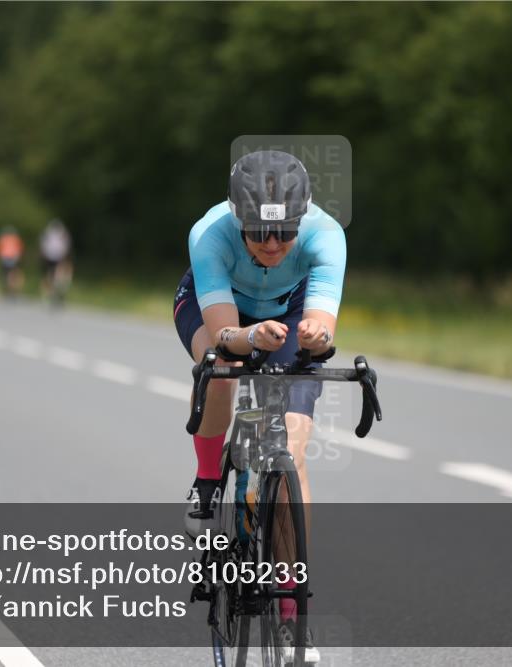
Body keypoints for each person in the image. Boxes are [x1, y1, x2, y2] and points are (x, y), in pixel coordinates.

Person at [173, 150, 345, 662]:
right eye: (259, 234)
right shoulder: (210, 233)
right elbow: (226, 332)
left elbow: (322, 327)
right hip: (221, 307)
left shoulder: (327, 235)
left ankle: (292, 610)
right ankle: (207, 479)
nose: (272, 245)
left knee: (292, 449)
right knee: (220, 368)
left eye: (284, 234)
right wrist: (247, 338)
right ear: (236, 218)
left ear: (303, 218)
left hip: (289, 310)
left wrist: (315, 336)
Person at [39, 218, 72, 303]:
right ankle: (55, 290)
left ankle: (50, 293)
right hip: (57, 256)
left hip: (49, 257)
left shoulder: (48, 233)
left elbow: (43, 246)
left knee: (50, 274)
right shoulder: (62, 234)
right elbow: (66, 246)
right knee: (57, 273)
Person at [0, 226, 25, 297]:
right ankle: (13, 289)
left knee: (6, 274)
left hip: (4, 258)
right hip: (14, 258)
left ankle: (9, 289)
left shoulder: (2, 239)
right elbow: (21, 249)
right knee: (14, 274)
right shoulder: (16, 239)